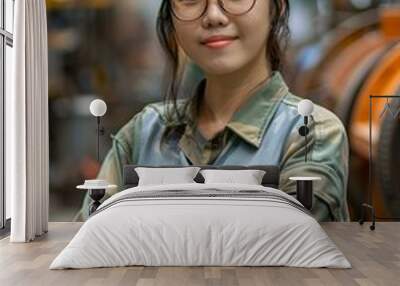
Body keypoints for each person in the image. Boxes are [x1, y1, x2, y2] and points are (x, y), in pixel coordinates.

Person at [76, 0, 350, 222]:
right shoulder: (141, 133)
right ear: (170, 15)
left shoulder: (309, 135)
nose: (214, 16)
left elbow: (292, 250)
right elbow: (90, 243)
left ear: (276, 7)